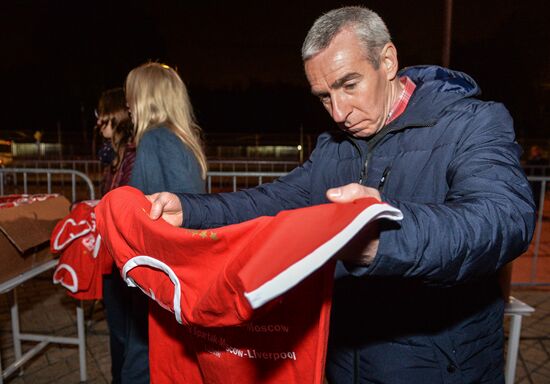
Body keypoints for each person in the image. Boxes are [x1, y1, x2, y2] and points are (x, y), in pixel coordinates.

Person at [146, 6, 536, 384]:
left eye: (349, 85)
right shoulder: (334, 145)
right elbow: (273, 201)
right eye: (324, 96)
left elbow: (504, 218)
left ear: (387, 61)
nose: (338, 112)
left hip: (437, 366)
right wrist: (191, 209)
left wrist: (381, 235)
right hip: (344, 362)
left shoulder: (471, 122)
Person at [124, 61, 208, 383]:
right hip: (178, 266)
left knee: (141, 357)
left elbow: (146, 207)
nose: (128, 106)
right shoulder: (183, 139)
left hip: (156, 265)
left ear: (146, 98)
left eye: (132, 97)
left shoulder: (155, 139)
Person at [95, 87, 137, 384]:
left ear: (117, 117)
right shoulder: (113, 159)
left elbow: (125, 207)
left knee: (125, 336)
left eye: (103, 117)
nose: (98, 124)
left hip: (126, 259)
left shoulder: (134, 158)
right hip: (111, 259)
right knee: (116, 334)